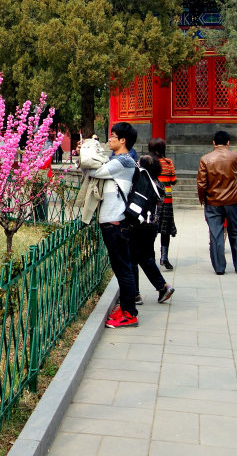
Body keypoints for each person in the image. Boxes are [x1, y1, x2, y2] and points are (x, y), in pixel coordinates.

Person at [81, 122, 140, 328]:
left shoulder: (123, 161)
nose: (110, 139)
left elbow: (94, 170)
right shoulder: (118, 159)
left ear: (123, 140)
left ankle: (130, 314)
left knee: (123, 270)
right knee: (122, 268)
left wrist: (89, 148)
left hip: (116, 222)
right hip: (112, 221)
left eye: (113, 136)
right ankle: (126, 308)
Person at [197, 130, 237, 274]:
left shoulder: (205, 159)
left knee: (216, 233)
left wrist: (202, 199)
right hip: (233, 199)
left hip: (213, 201)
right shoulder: (236, 157)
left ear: (213, 143)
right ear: (228, 143)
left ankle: (219, 267)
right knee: (236, 232)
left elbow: (201, 183)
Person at [129, 154, 175, 305]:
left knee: (133, 258)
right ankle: (162, 287)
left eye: (139, 163)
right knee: (145, 258)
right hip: (151, 227)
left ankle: (135, 294)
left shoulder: (144, 182)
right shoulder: (157, 183)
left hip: (139, 226)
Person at [148, 138, 177, 270]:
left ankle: (150, 256)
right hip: (166, 199)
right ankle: (164, 256)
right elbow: (173, 180)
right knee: (165, 228)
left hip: (151, 200)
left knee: (150, 229)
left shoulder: (147, 162)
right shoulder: (168, 162)